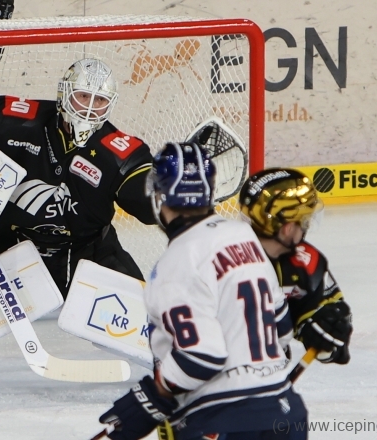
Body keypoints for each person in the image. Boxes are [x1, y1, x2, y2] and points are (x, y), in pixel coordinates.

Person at [98, 142, 307, 440]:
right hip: (285, 412)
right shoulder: (244, 236)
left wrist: (153, 395)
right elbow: (282, 328)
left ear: (159, 197)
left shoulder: (175, 263)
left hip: (220, 422)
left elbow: (202, 357)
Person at [0, 58, 156, 297]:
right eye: (83, 96)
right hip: (3, 241)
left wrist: (172, 190)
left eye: (100, 100)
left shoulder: (119, 152)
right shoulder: (13, 118)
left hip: (86, 250)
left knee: (142, 311)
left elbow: (148, 196)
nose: (90, 108)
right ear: (65, 93)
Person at [239, 168, 352, 365]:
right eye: (304, 220)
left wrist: (325, 334)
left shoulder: (306, 262)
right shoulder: (230, 264)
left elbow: (329, 310)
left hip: (268, 371)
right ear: (287, 228)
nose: (306, 226)